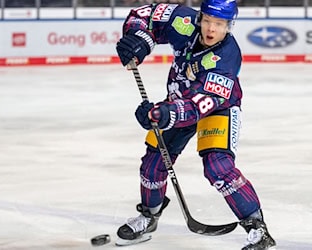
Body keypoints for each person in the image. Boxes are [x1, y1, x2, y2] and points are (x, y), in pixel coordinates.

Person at [115, 0, 276, 249]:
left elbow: (200, 104)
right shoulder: (184, 21)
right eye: (209, 21)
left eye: (220, 24)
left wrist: (161, 114)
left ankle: (258, 229)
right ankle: (149, 216)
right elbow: (144, 15)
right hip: (177, 102)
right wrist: (139, 38)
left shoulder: (226, 58)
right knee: (152, 163)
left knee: (218, 167)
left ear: (229, 26)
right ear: (201, 17)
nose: (212, 29)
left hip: (217, 109)